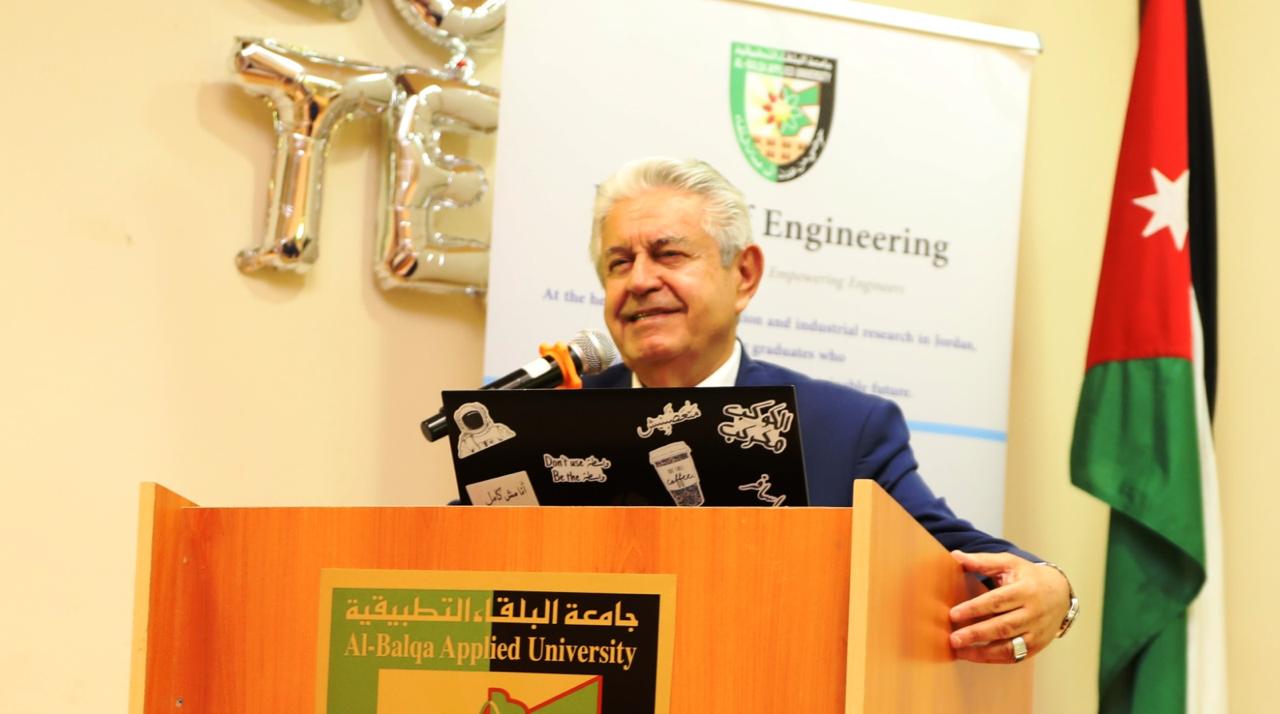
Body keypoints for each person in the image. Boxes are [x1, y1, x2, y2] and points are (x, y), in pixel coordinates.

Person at [581, 156, 1077, 664]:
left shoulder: (842, 429)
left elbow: (952, 552)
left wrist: (1053, 589)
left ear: (744, 275)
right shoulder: (556, 418)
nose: (639, 280)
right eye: (620, 263)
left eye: (668, 255)